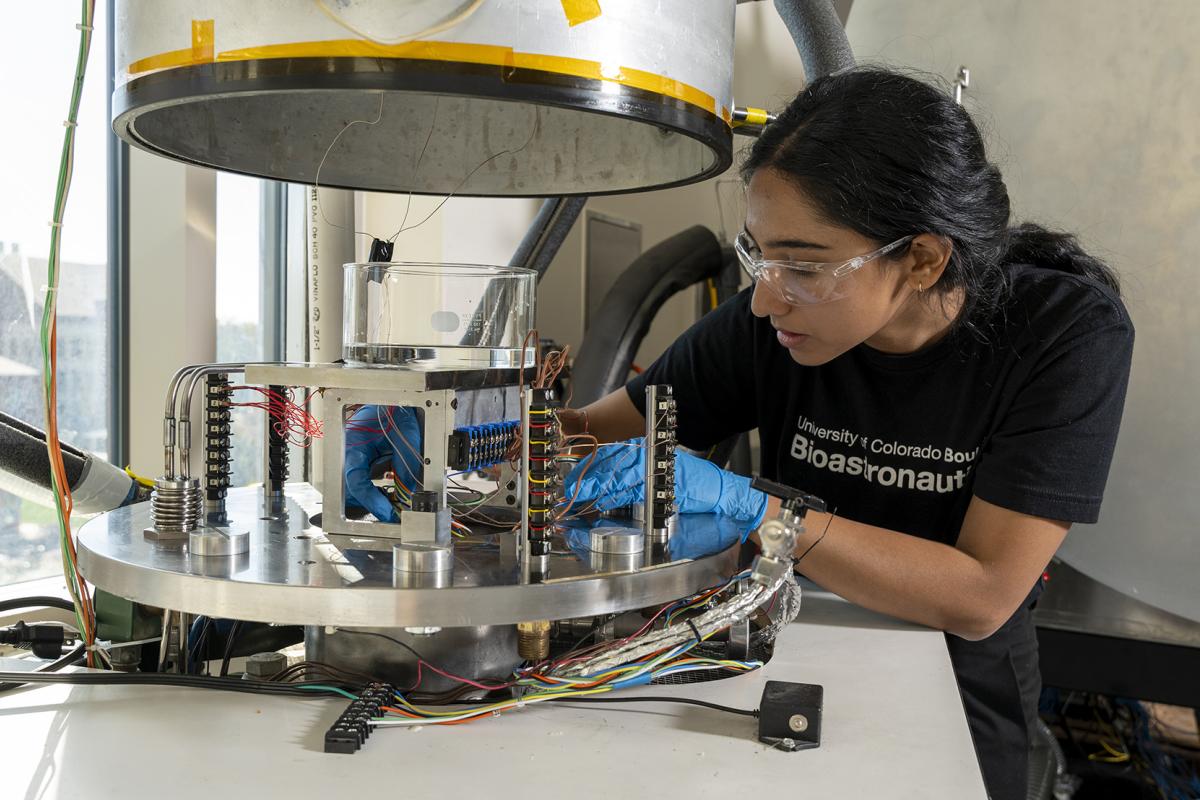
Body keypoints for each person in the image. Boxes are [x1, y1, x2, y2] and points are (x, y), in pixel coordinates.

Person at [558, 68, 1134, 800]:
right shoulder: (773, 322)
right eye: (757, 254)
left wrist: (758, 510)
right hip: (778, 645)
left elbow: (982, 593)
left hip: (954, 678)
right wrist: (462, 432)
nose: (766, 297)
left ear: (923, 259)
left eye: (802, 264)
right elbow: (592, 434)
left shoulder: (1062, 335)